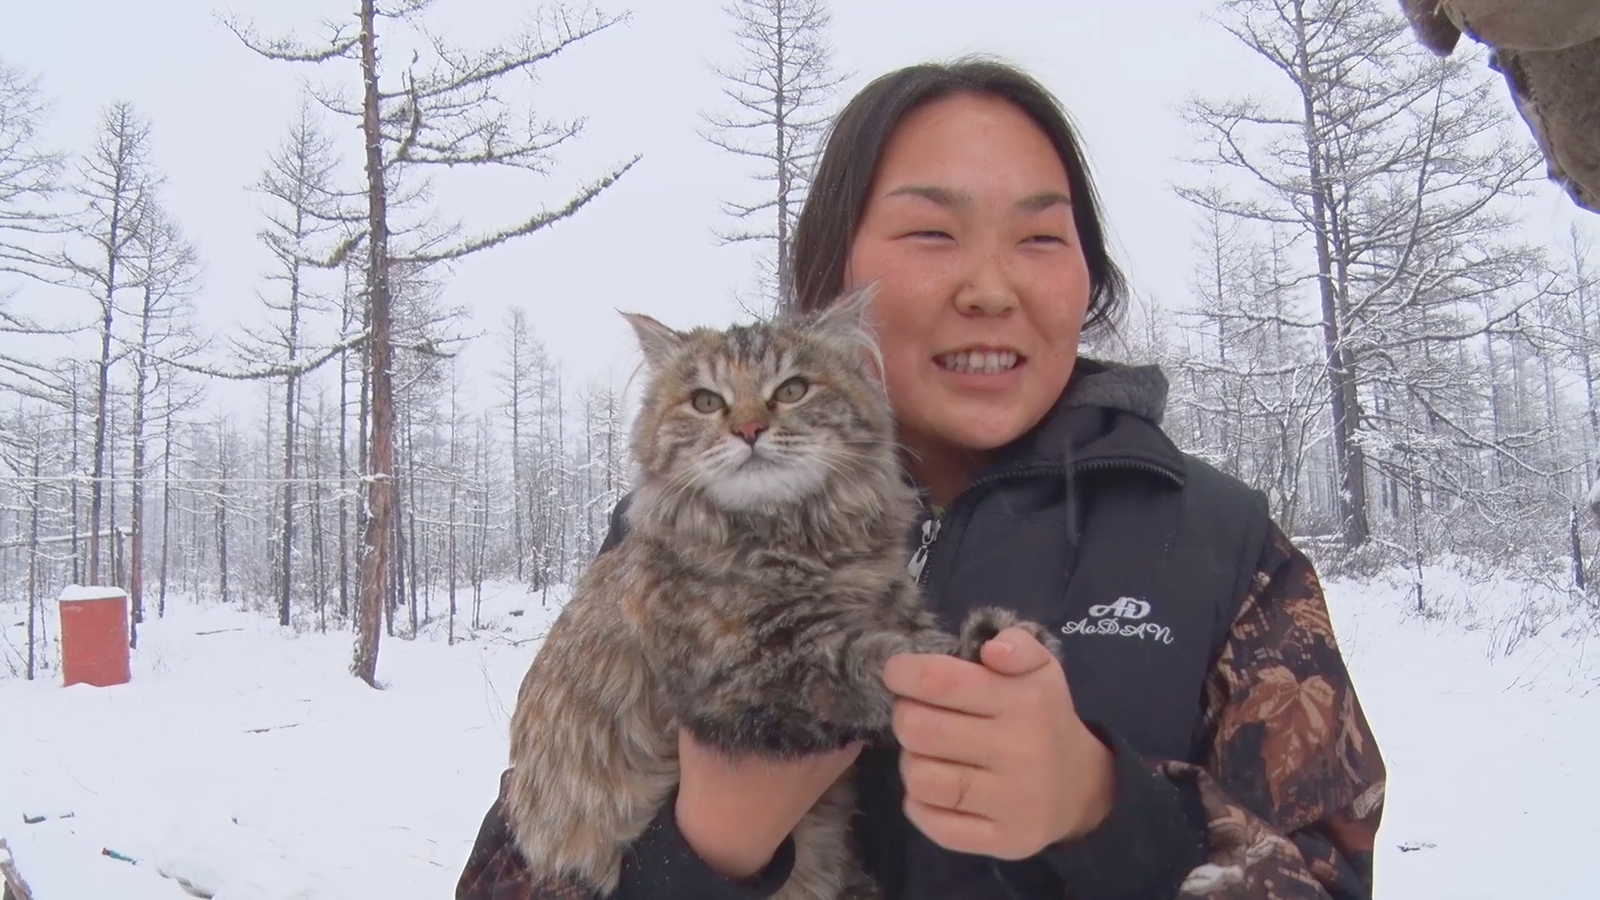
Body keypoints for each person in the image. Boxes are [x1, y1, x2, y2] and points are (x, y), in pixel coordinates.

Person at [456, 58, 1385, 900]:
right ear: (835, 280)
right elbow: (517, 868)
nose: (990, 288)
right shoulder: (666, 539)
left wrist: (1109, 815)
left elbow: (1327, 873)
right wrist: (701, 857)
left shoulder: (1223, 543)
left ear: (1088, 280)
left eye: (1040, 240)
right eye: (933, 232)